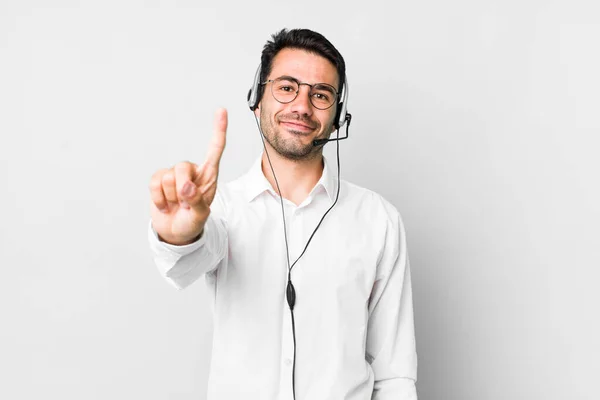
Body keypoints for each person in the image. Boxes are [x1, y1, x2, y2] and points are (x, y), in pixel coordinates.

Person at [148, 28, 418, 400]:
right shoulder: (223, 210)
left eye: (320, 95)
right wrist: (180, 234)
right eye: (287, 87)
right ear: (257, 100)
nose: (302, 106)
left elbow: (394, 374)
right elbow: (184, 264)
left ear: (338, 115)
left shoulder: (378, 220)